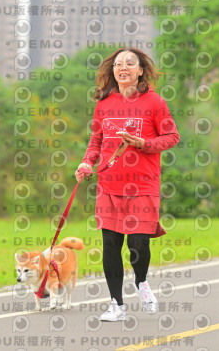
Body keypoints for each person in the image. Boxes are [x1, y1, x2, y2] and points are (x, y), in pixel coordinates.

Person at [75, 47, 180, 322]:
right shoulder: (104, 103)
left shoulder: (154, 102)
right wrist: (86, 163)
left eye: (130, 64)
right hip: (108, 185)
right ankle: (116, 305)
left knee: (138, 244)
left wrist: (144, 144)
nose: (123, 68)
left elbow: (172, 136)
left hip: (143, 186)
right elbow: (96, 141)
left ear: (140, 70)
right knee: (110, 243)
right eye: (118, 64)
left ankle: (141, 282)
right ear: (113, 71)